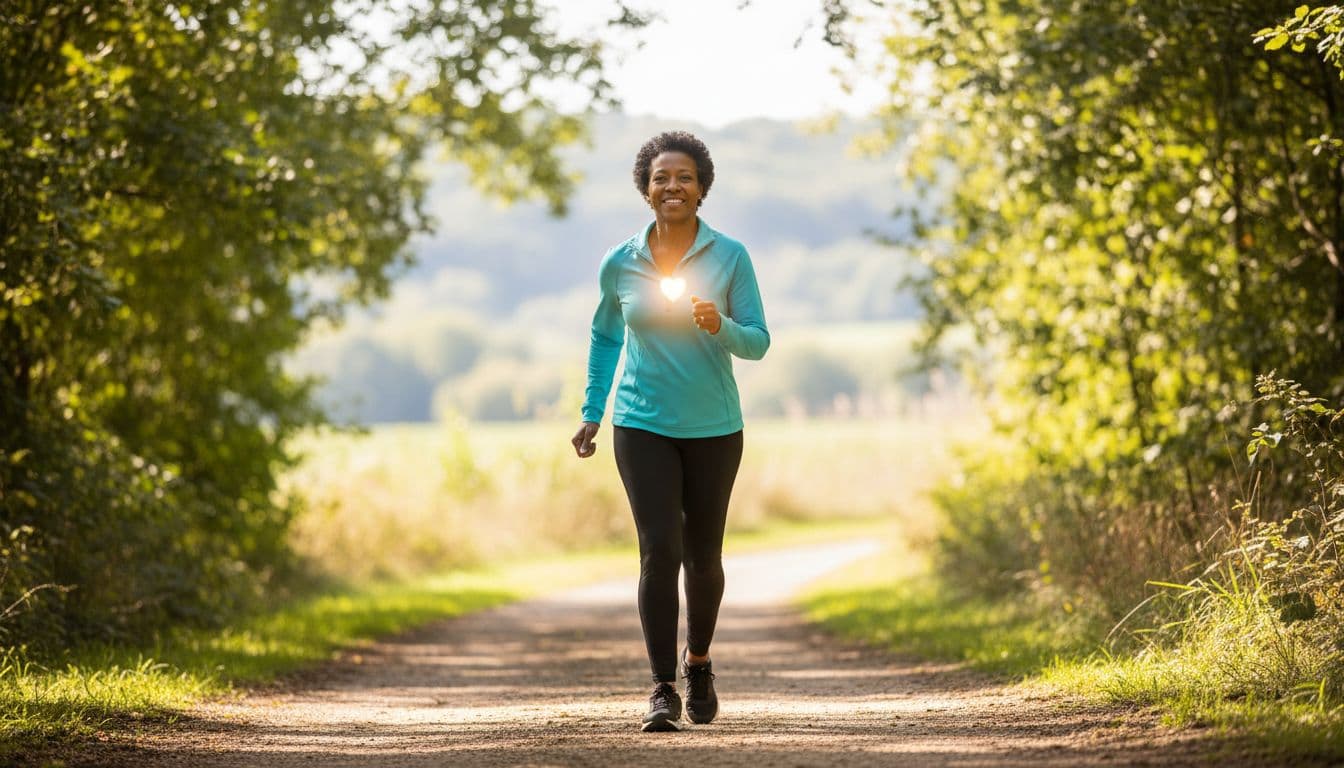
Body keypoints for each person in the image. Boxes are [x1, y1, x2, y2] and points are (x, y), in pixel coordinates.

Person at [570, 130, 770, 732]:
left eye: (684, 177)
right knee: (660, 550)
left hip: (713, 427)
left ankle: (699, 662)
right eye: (661, 178)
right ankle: (661, 688)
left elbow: (757, 342)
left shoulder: (730, 255)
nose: (672, 186)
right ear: (646, 189)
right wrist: (592, 409)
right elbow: (606, 336)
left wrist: (720, 325)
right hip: (641, 423)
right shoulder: (620, 261)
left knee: (703, 557)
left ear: (702, 188)